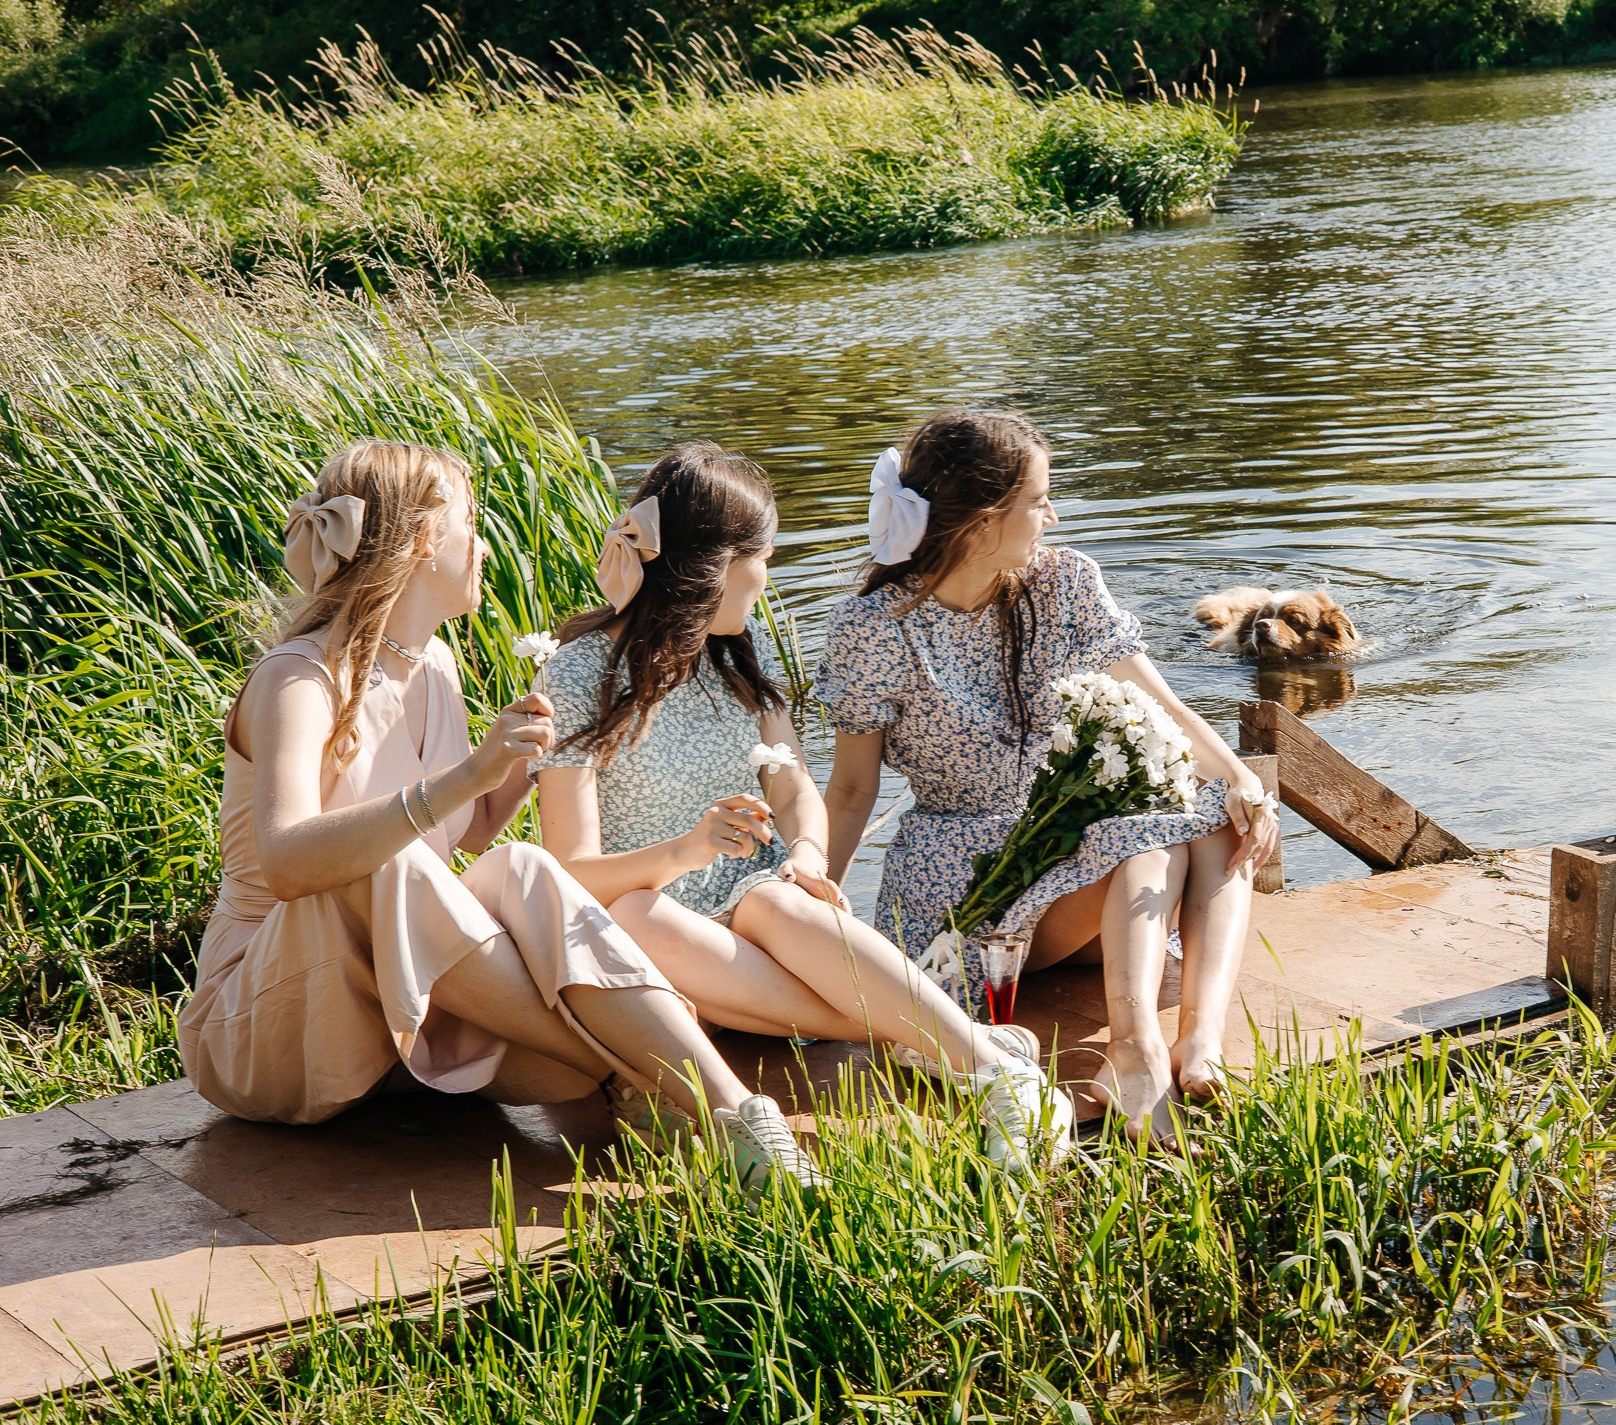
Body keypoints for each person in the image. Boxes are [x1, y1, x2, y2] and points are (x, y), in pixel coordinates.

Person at [178, 438, 815, 1192]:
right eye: (472, 525)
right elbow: (287, 861)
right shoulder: (299, 679)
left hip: (395, 1015)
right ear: (423, 541)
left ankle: (738, 1118)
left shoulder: (434, 666)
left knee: (522, 865)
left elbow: (470, 831)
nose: (483, 547)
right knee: (391, 861)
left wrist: (527, 749)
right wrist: (469, 774)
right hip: (267, 1025)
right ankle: (657, 1080)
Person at [530, 441, 1073, 1173]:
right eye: (764, 557)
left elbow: (793, 792)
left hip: (755, 918)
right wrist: (683, 852)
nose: (767, 576)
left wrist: (809, 857)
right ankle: (942, 1037)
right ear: (719, 566)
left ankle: (996, 1072)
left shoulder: (737, 658)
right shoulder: (578, 677)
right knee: (637, 914)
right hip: (649, 930)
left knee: (774, 898)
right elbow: (569, 872)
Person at [817, 409, 1279, 1148]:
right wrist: (820, 917)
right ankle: (1134, 1050)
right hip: (962, 883)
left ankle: (1200, 1040)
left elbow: (1161, 704)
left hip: (1075, 864)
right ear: (982, 519)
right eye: (1038, 500)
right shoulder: (871, 628)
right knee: (1147, 832)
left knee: (1218, 813)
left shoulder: (1064, 582)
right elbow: (850, 791)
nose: (1053, 515)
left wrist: (1241, 783)